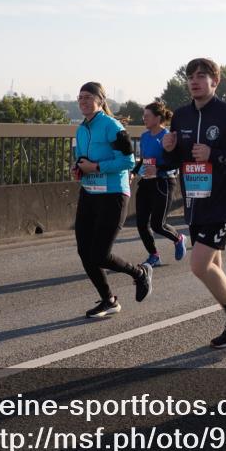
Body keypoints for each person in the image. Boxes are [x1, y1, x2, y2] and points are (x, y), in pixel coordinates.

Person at [161, 59, 226, 349]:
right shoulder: (180, 116)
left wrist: (213, 154)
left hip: (224, 203)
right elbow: (176, 160)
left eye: (201, 76)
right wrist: (169, 150)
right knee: (214, 266)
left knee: (199, 265)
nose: (194, 81)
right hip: (195, 202)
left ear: (215, 81)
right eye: (190, 77)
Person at [73, 82, 154, 318]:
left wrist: (96, 166)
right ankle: (108, 300)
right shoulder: (81, 129)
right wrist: (79, 168)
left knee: (99, 254)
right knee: (84, 251)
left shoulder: (111, 126)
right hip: (89, 193)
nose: (83, 101)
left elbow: (129, 161)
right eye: (80, 98)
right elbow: (83, 160)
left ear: (100, 100)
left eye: (88, 97)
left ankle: (140, 273)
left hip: (112, 195)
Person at [131, 101, 188, 266]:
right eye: (144, 116)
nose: (144, 119)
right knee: (141, 223)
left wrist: (158, 169)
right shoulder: (144, 136)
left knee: (157, 224)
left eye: (147, 116)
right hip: (146, 182)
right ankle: (154, 255)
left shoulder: (168, 136)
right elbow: (144, 160)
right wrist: (134, 173)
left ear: (157, 118)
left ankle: (178, 238)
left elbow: (177, 162)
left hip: (164, 183)